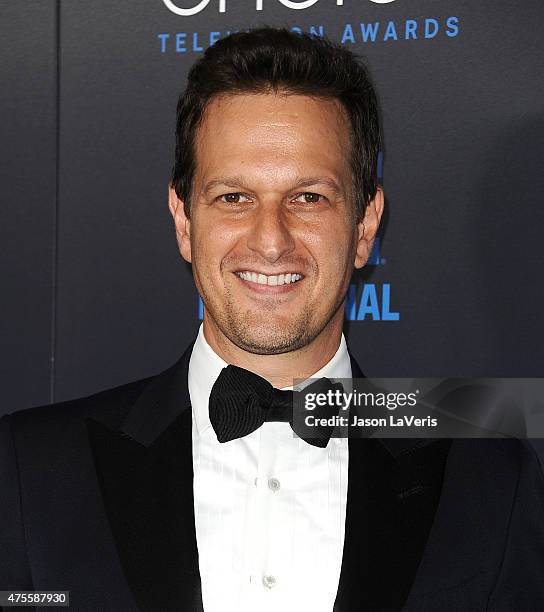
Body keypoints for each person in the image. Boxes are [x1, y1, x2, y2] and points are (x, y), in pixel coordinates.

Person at [1, 27, 543, 612]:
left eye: (308, 197)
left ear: (365, 225)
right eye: (234, 197)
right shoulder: (31, 470)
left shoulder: (488, 477)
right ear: (184, 221)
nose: (270, 240)